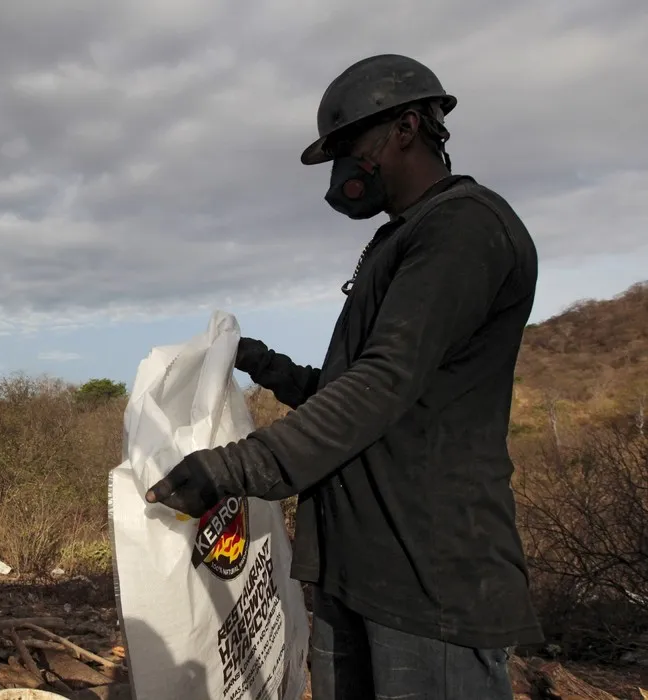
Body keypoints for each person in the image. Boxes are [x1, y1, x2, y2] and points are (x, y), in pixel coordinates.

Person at [146, 54, 543, 698]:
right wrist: (263, 364)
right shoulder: (402, 239)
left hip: (429, 581)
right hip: (355, 569)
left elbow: (382, 384)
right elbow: (364, 389)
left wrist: (231, 469)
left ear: (407, 129)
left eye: (351, 147)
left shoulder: (465, 228)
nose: (343, 173)